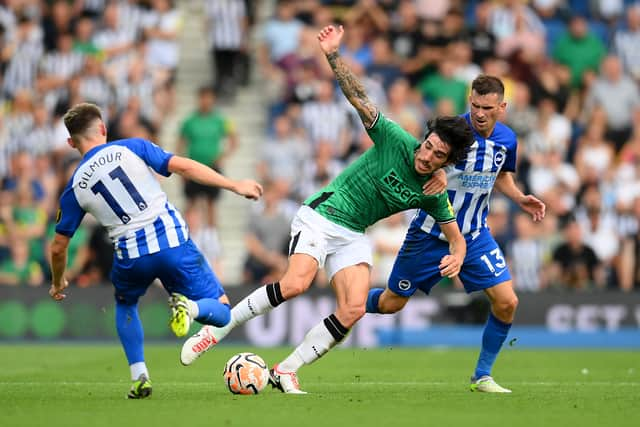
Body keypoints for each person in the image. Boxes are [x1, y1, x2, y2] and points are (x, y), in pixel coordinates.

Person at [178, 25, 474, 394]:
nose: (427, 155)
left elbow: (455, 236)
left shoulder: (433, 190)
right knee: (296, 284)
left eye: (437, 156)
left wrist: (457, 256)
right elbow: (359, 97)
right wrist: (333, 55)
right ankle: (216, 330)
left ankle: (286, 370)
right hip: (322, 214)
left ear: (447, 162)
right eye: (428, 145)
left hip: (352, 234)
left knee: (352, 309)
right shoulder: (396, 140)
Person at [48, 103, 262, 399]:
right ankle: (192, 308)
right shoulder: (133, 147)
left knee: (126, 304)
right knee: (223, 312)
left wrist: (58, 280)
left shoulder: (74, 187)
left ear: (71, 143)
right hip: (172, 242)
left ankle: (140, 377)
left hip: (131, 256)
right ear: (103, 129)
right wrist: (234, 184)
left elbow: (59, 246)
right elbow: (185, 167)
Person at [366, 75, 546, 393]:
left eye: (487, 107)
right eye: (474, 105)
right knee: (391, 303)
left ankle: (482, 375)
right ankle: (348, 304)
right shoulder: (453, 134)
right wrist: (435, 174)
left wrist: (519, 197)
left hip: (475, 234)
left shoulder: (507, 140)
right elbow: (421, 161)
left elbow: (500, 175)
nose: (479, 113)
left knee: (507, 302)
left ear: (502, 107)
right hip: (430, 232)